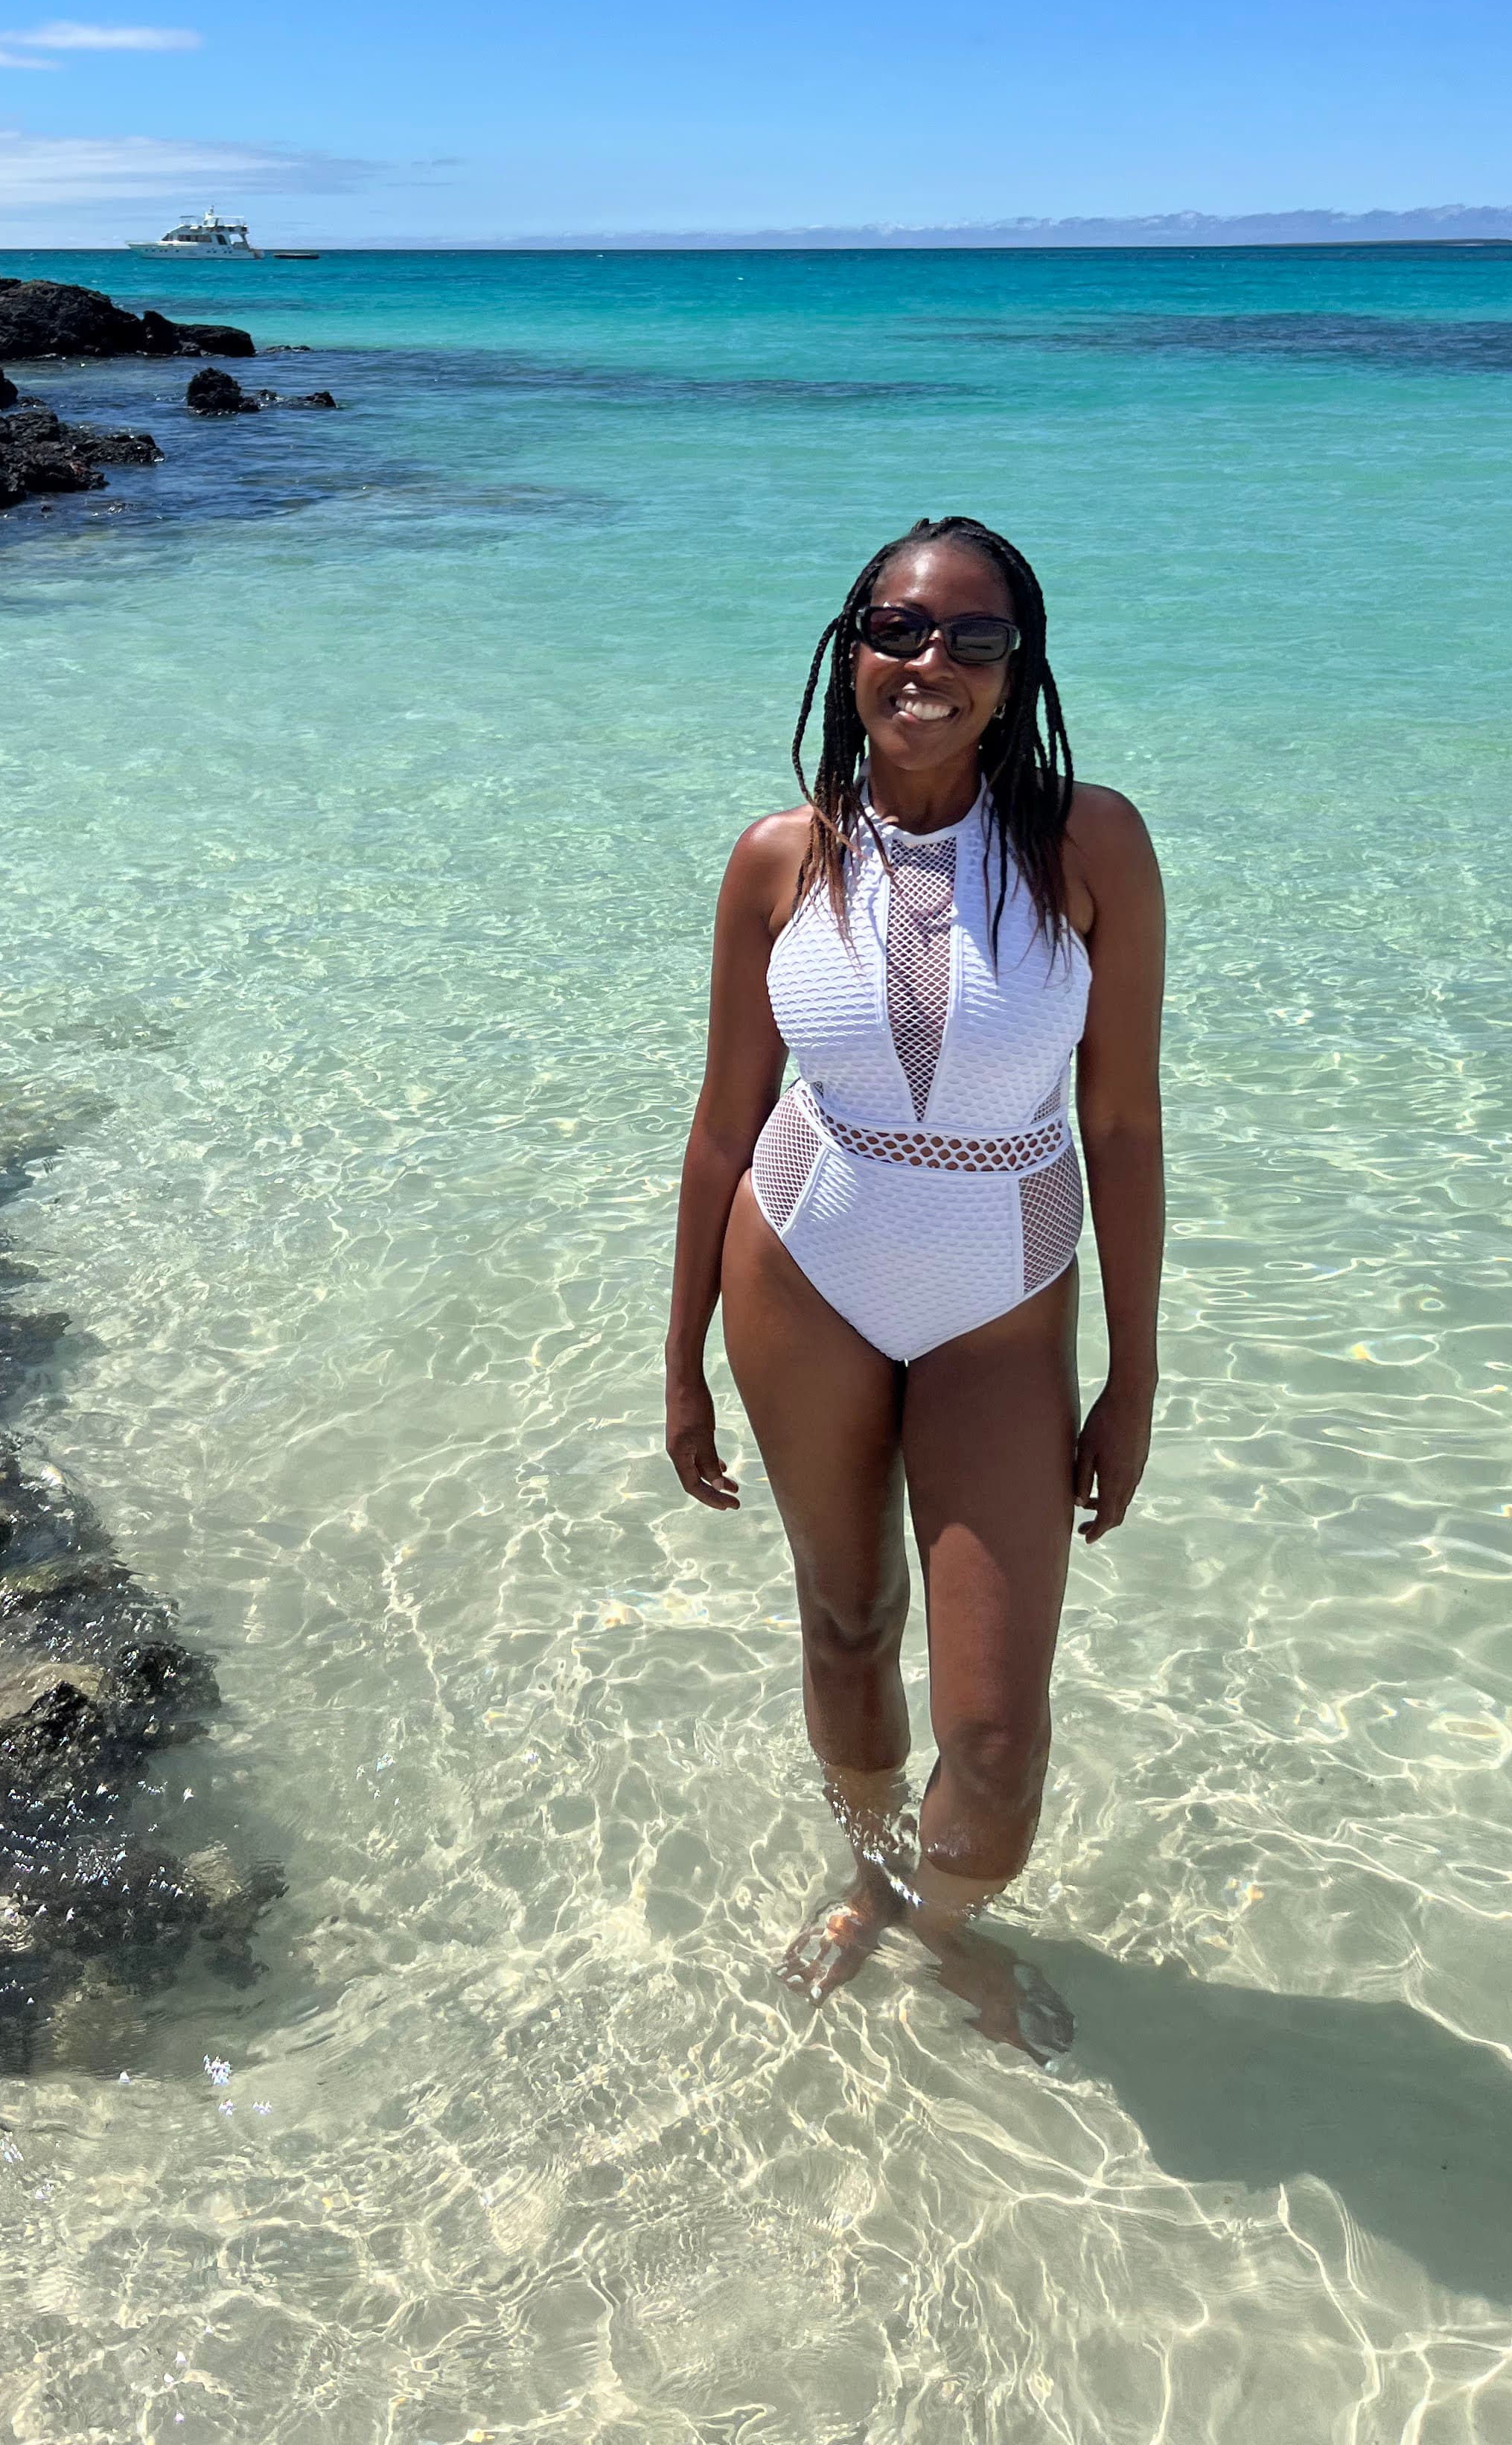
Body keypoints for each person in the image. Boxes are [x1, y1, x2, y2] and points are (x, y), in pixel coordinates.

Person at [663, 514, 1165, 2048]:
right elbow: (724, 1121)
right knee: (846, 1618)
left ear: (1021, 670)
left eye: (973, 638)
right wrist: (677, 1358)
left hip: (1003, 1309)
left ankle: (944, 1921)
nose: (929, 663)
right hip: (801, 1271)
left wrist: (1132, 1378)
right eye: (898, 630)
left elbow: (1125, 1124)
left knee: (1000, 1739)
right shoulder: (777, 857)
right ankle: (869, 1878)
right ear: (851, 651)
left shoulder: (1094, 846)